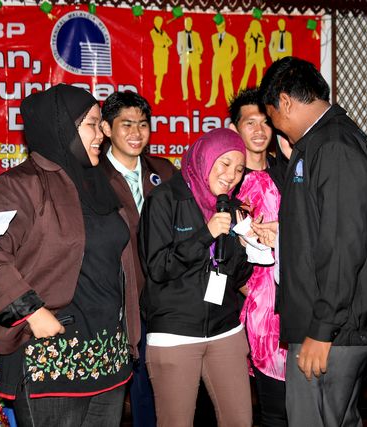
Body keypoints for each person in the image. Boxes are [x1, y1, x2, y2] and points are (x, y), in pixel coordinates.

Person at [0, 84, 133, 426]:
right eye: (92, 124)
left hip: (108, 355)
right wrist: (31, 311)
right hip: (51, 358)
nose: (103, 133)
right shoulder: (20, 185)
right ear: (61, 127)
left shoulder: (105, 181)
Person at [258, 56, 367, 426]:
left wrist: (321, 329)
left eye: (271, 116)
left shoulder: (334, 147)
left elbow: (342, 245)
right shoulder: (327, 142)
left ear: (284, 102)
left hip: (331, 328)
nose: (275, 126)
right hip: (335, 324)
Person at [139, 128, 254, 426]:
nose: (231, 175)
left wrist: (245, 246)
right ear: (205, 158)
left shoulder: (232, 207)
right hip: (175, 334)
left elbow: (237, 277)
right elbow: (158, 267)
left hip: (226, 330)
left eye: (239, 169)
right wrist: (205, 235)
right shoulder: (164, 199)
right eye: (225, 163)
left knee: (240, 421)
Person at [99, 90, 176, 427]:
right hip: (119, 298)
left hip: (166, 298)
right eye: (126, 124)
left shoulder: (164, 171)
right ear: (106, 128)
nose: (136, 133)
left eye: (143, 124)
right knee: (131, 386)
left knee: (167, 386)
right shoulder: (93, 176)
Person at [229, 88, 287, 426]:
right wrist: (248, 289)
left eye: (265, 122)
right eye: (250, 122)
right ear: (234, 128)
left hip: (289, 300)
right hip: (243, 305)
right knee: (264, 407)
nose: (259, 130)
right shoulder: (226, 182)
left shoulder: (287, 174)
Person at [205, 19, 238, 108]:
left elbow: (236, 50)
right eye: (217, 26)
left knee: (227, 82)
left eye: (219, 25)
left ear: (224, 26)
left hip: (226, 63)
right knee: (214, 82)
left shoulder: (231, 38)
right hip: (216, 62)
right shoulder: (213, 37)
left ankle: (231, 102)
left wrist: (229, 59)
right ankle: (212, 100)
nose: (218, 27)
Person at [177, 17, 203, 102]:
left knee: (196, 76)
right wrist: (181, 54)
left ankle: (197, 95)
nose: (187, 24)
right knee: (184, 77)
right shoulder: (180, 34)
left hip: (194, 56)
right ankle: (185, 95)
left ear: (191, 24)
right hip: (185, 57)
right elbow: (178, 46)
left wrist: (198, 53)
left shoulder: (196, 34)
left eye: (189, 23)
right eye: (186, 23)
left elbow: (201, 47)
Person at [150, 16, 173, 105]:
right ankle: (157, 93)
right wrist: (164, 43)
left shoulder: (163, 32)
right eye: (158, 22)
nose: (159, 24)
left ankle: (158, 92)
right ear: (155, 22)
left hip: (164, 55)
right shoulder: (153, 32)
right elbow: (158, 43)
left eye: (160, 22)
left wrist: (164, 44)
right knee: (158, 74)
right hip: (158, 55)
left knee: (161, 74)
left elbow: (170, 41)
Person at [239, 20, 266, 91]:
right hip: (251, 57)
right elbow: (247, 48)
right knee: (246, 74)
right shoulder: (248, 35)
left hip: (259, 57)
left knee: (260, 76)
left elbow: (263, 47)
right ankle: (240, 90)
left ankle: (259, 92)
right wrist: (247, 57)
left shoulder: (261, 36)